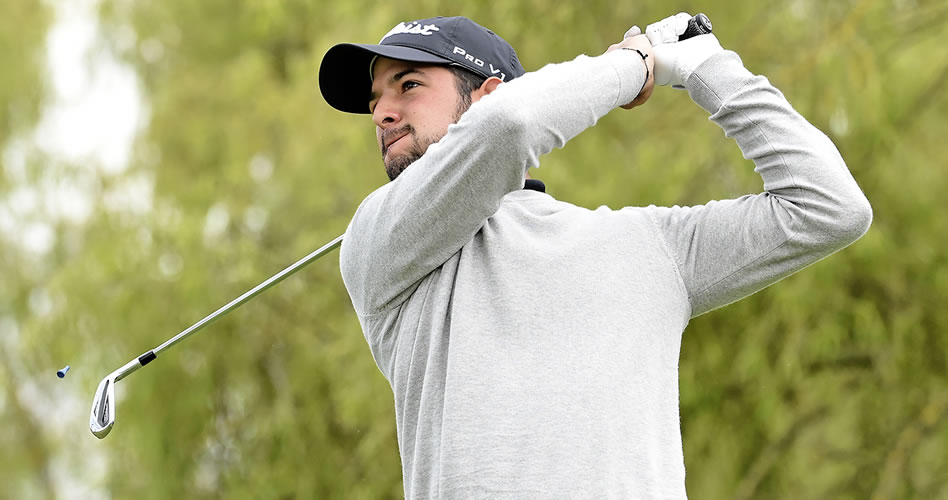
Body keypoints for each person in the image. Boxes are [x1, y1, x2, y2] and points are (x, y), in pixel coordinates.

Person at [318, 13, 872, 498]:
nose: (381, 114)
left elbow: (829, 207)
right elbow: (510, 128)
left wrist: (707, 66)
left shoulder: (650, 247)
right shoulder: (379, 239)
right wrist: (632, 63)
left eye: (408, 85)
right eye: (375, 101)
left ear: (489, 93)